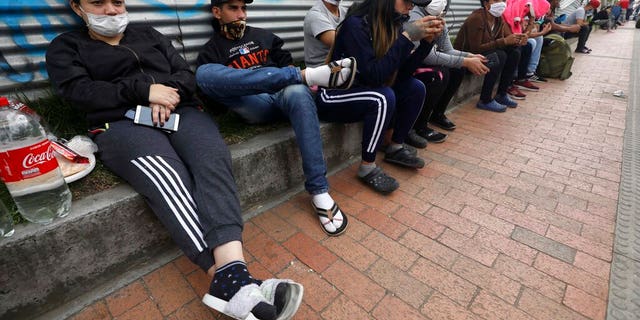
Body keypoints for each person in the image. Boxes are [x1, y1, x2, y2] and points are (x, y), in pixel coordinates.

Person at [46, 1, 303, 319]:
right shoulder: (66, 47)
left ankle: (232, 279)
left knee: (212, 157)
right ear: (76, 6)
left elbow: (185, 74)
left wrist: (166, 94)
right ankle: (229, 280)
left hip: (179, 110)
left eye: (118, 2)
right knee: (166, 174)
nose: (112, 10)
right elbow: (79, 92)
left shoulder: (148, 33)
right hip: (120, 121)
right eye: (98, 2)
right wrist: (144, 91)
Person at [196, 0, 355, 236]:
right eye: (233, 8)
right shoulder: (212, 50)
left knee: (298, 91)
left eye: (244, 8)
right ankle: (308, 75)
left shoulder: (265, 36)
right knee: (204, 73)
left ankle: (319, 191)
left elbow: (284, 63)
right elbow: (212, 96)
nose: (241, 15)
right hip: (254, 104)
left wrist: (283, 76)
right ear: (217, 12)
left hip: (285, 97)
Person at [315, 0, 441, 194]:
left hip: (367, 89)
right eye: (407, 1)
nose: (411, 7)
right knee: (383, 96)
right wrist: (407, 38)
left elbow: (403, 72)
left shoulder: (392, 24)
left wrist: (426, 43)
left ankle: (395, 147)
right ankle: (367, 167)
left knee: (415, 87)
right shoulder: (356, 25)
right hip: (335, 94)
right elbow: (373, 75)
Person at [405, 0, 490, 148]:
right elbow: (427, 56)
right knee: (439, 74)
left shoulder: (437, 18)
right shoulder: (414, 16)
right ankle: (419, 125)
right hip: (411, 65)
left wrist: (469, 56)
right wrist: (464, 61)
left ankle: (437, 114)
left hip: (423, 61)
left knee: (457, 69)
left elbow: (447, 50)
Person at [454, 0, 525, 112]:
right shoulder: (477, 18)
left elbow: (505, 40)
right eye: (496, 0)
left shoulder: (498, 19)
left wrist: (518, 40)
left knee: (514, 52)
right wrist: (504, 41)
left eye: (503, 0)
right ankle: (485, 100)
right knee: (499, 56)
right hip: (467, 59)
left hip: (484, 54)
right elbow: (475, 49)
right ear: (486, 3)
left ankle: (501, 94)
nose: (501, 3)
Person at [304, 0, 347, 67]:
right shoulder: (315, 15)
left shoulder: (345, 11)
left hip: (342, 64)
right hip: (321, 70)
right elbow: (340, 43)